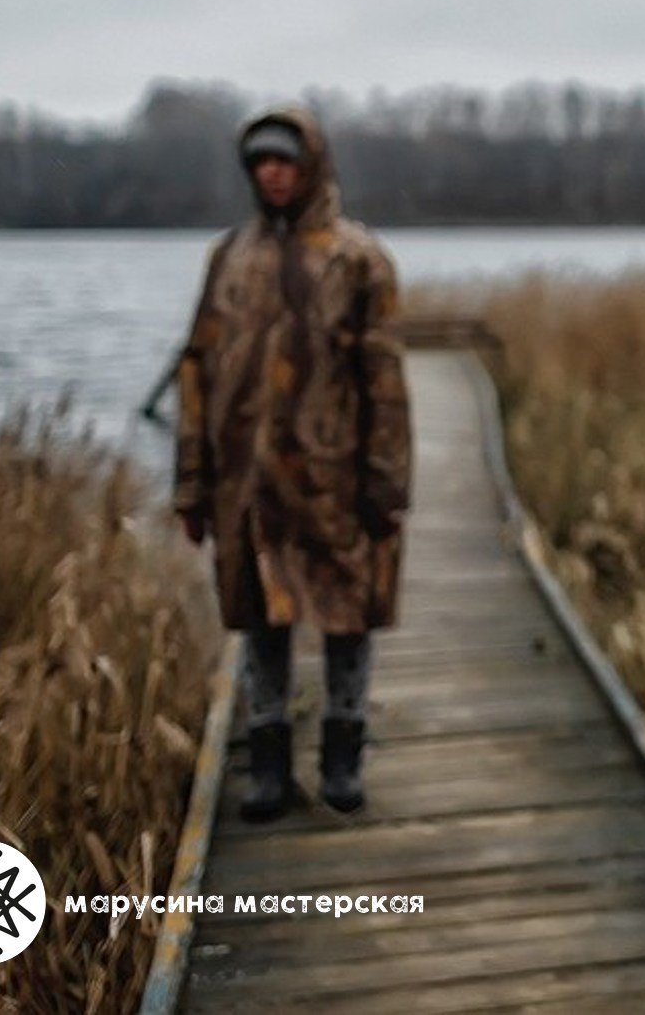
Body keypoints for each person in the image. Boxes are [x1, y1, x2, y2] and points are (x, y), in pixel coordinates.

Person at [173, 107, 410, 822]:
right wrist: (191, 484)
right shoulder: (229, 256)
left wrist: (386, 482)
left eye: (284, 160)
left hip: (332, 480)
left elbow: (386, 381)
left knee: (346, 621)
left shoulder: (357, 257)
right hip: (244, 485)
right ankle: (267, 763)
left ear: (310, 165)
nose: (272, 173)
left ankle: (343, 754)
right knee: (260, 625)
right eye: (260, 162)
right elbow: (197, 372)